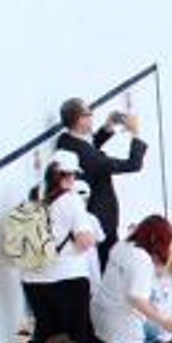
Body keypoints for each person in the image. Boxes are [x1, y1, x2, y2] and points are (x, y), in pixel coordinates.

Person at [19, 150, 99, 343]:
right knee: (73, 339)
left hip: (33, 280)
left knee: (45, 335)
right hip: (67, 278)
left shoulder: (34, 194)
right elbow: (85, 241)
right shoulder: (71, 200)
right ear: (67, 175)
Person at [55, 98, 149, 266]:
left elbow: (89, 149)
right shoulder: (88, 156)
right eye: (89, 114)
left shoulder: (65, 141)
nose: (92, 117)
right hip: (101, 220)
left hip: (92, 217)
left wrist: (108, 127)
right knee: (109, 266)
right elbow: (133, 164)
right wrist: (135, 133)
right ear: (80, 119)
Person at [96, 215, 172, 343]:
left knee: (153, 333)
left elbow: (160, 271)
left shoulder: (122, 246)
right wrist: (163, 320)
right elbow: (136, 298)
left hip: (101, 313)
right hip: (121, 323)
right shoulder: (141, 259)